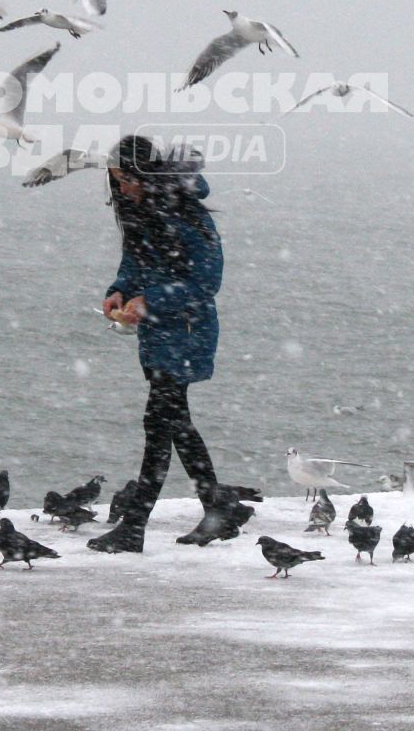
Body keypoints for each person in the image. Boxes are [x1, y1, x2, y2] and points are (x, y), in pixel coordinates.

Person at [88, 134, 254, 553]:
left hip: (185, 333)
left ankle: (134, 525)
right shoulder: (140, 212)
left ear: (145, 173)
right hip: (158, 335)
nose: (121, 188)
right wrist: (121, 291)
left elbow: (206, 282)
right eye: (115, 181)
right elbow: (136, 262)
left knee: (159, 427)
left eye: (126, 178)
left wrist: (153, 300)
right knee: (175, 425)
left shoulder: (189, 216)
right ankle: (217, 510)